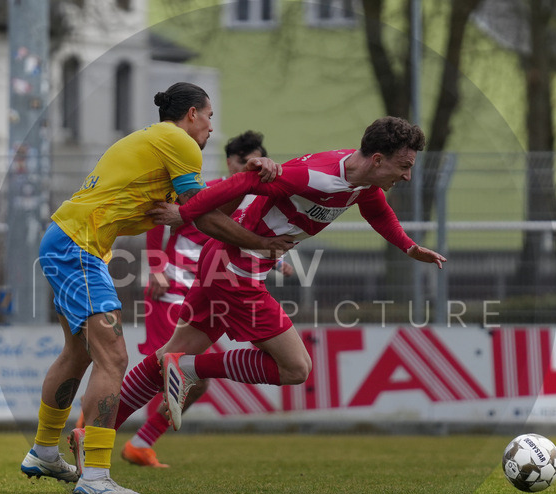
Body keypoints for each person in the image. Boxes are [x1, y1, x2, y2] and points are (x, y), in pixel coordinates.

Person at [19, 82, 284, 494]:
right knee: (114, 358)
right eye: (210, 116)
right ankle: (95, 478)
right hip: (78, 247)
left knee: (79, 353)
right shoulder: (180, 141)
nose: (212, 127)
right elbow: (203, 216)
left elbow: (190, 211)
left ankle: (45, 450)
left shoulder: (155, 141)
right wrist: (260, 243)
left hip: (72, 242)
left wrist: (240, 185)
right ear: (192, 114)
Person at [111, 116, 447, 435]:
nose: (407, 177)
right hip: (234, 273)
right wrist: (184, 213)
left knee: (164, 357)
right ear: (377, 159)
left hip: (221, 265)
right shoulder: (317, 176)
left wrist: (408, 246)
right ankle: (188, 369)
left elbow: (376, 210)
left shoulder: (360, 181)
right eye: (404, 167)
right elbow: (244, 181)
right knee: (295, 368)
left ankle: (93, 431)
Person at [118, 131, 293, 468]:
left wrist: (278, 260)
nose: (248, 167)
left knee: (194, 380)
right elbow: (160, 218)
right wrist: (155, 267)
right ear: (230, 162)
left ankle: (139, 443)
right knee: (166, 367)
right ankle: (91, 422)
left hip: (211, 290)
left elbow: (245, 244)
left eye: (255, 161)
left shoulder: (257, 202)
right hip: (173, 285)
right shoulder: (206, 191)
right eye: (243, 161)